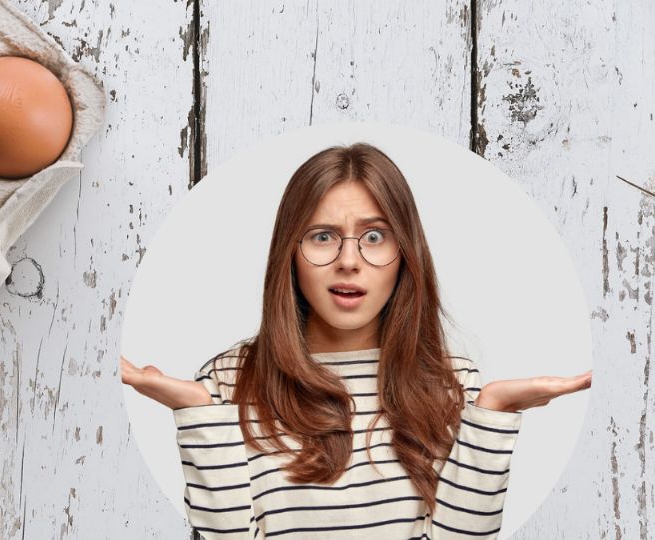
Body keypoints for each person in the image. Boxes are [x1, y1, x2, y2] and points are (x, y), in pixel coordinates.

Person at [120, 142, 592, 539]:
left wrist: (493, 414)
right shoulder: (226, 382)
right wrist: (199, 414)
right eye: (323, 236)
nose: (350, 260)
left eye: (374, 236)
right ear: (290, 253)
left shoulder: (451, 384)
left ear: (406, 253)